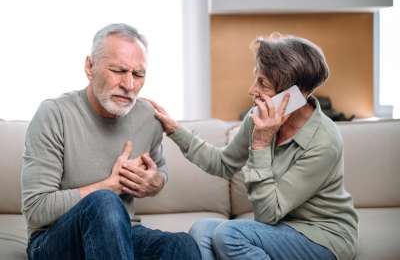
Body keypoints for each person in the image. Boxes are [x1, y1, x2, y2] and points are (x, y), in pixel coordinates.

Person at [148, 33, 358, 260]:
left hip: (322, 236)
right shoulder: (257, 117)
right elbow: (223, 164)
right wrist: (174, 130)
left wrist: (260, 143)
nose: (251, 90)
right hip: (278, 230)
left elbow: (268, 214)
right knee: (202, 230)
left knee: (229, 235)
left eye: (262, 83)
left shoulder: (324, 140)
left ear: (292, 96)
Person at [21, 23, 201, 260]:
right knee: (104, 202)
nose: (129, 85)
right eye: (118, 70)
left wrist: (154, 182)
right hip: (52, 241)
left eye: (138, 74)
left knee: (182, 245)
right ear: (90, 66)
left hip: (122, 233)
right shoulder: (54, 114)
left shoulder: (148, 117)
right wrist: (110, 186)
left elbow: (160, 169)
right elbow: (36, 210)